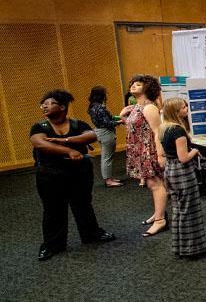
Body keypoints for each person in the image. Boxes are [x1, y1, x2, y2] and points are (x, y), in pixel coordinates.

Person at [30, 89, 115, 261]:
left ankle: (91, 234)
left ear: (62, 107)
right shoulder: (40, 127)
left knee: (83, 204)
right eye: (43, 104)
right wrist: (69, 150)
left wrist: (65, 140)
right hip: (50, 175)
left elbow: (91, 135)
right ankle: (52, 245)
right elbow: (40, 144)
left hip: (79, 173)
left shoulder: (77, 124)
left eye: (49, 103)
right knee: (53, 210)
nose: (44, 106)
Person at [159, 97, 206, 259]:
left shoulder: (164, 128)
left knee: (179, 210)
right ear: (176, 111)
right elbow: (183, 157)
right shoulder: (178, 131)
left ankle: (181, 247)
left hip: (170, 170)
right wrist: (195, 151)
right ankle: (194, 249)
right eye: (183, 107)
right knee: (190, 210)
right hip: (182, 172)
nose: (186, 109)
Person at [121, 75, 168, 237]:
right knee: (151, 184)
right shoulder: (136, 107)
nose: (133, 86)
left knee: (155, 183)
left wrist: (160, 155)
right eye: (132, 83)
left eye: (138, 84)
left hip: (149, 150)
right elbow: (133, 126)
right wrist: (122, 116)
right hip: (139, 149)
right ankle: (158, 212)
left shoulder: (149, 108)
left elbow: (158, 132)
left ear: (147, 88)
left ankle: (160, 220)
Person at [87, 85, 124, 187]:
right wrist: (121, 121)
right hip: (106, 133)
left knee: (106, 156)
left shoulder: (93, 106)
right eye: (105, 93)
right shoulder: (100, 108)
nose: (106, 95)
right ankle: (108, 181)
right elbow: (107, 123)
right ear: (100, 95)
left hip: (99, 132)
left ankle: (109, 178)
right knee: (107, 157)